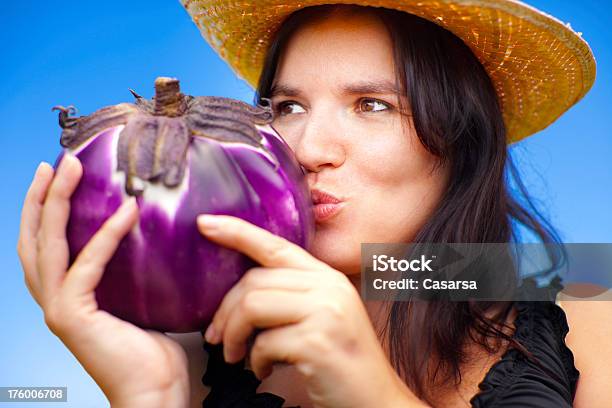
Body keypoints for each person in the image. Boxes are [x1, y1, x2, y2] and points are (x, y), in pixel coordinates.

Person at [17, 1, 611, 407]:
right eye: (288, 107)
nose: (307, 149)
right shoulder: (196, 355)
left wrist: (370, 392)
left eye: (373, 104)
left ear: (463, 139)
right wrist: (150, 398)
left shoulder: (590, 324)